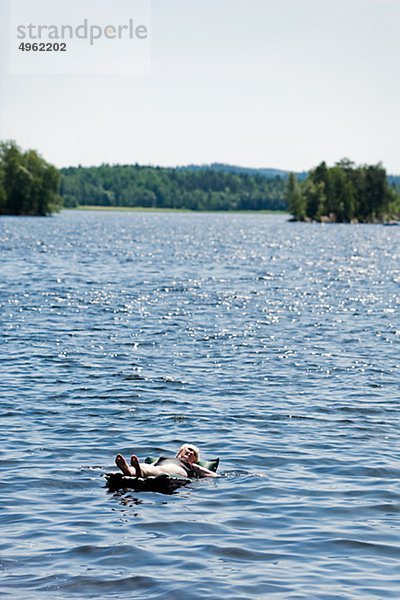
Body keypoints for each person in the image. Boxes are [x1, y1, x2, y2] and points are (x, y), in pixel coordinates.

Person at [115, 443, 219, 479]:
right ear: (180, 451)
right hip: (158, 465)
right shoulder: (163, 458)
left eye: (194, 455)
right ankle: (130, 470)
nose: (191, 453)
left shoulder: (191, 465)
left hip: (178, 469)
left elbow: (209, 473)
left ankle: (139, 472)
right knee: (149, 466)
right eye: (189, 450)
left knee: (161, 471)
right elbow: (152, 464)